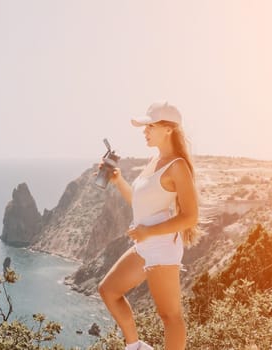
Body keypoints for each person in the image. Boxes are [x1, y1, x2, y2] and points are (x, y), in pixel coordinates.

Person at [97, 102, 200, 350]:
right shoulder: (155, 160)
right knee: (108, 291)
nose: (145, 131)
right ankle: (136, 347)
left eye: (149, 126)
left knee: (170, 316)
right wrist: (118, 179)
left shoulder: (177, 166)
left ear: (168, 129)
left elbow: (190, 217)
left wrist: (148, 232)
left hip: (161, 245)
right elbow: (138, 201)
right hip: (145, 243)